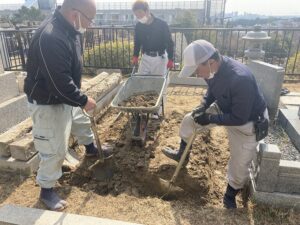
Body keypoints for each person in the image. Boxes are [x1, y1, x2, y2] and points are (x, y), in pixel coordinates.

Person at [24, 0, 112, 211]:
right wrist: (82, 100)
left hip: (64, 96)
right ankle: (46, 189)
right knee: (54, 149)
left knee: (80, 121)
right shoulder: (50, 37)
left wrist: (77, 98)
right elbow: (58, 83)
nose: (90, 24)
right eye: (89, 19)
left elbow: (66, 75)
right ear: (75, 13)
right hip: (47, 102)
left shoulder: (69, 29)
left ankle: (90, 148)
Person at [162, 40, 268, 209]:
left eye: (197, 70)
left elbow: (238, 118)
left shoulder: (240, 78)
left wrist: (210, 119)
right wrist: (203, 105)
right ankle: (183, 153)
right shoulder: (211, 71)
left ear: (210, 62)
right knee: (190, 120)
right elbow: (212, 90)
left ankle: (231, 194)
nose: (197, 74)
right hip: (226, 105)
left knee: (240, 163)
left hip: (247, 123)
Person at [132, 0, 174, 76]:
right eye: (136, 15)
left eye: (140, 13)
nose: (138, 17)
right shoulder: (138, 26)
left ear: (147, 11)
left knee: (158, 83)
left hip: (160, 58)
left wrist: (171, 59)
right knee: (140, 80)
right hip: (145, 57)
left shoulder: (162, 24)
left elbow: (169, 42)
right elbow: (137, 42)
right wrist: (135, 56)